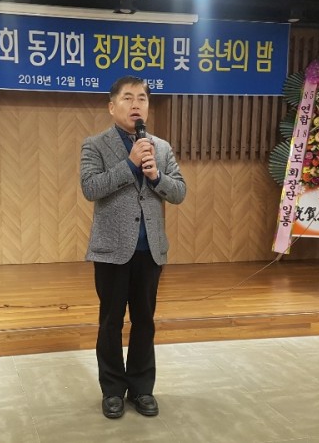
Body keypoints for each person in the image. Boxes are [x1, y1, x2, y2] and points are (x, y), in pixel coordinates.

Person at [80, 75, 186, 419]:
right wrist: (129, 164)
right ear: (112, 107)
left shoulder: (162, 148)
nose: (136, 104)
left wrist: (156, 177)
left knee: (144, 321)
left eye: (142, 98)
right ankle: (112, 390)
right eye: (128, 98)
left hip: (150, 250)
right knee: (111, 322)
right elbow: (91, 188)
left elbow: (179, 192)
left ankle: (141, 388)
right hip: (111, 250)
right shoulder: (95, 145)